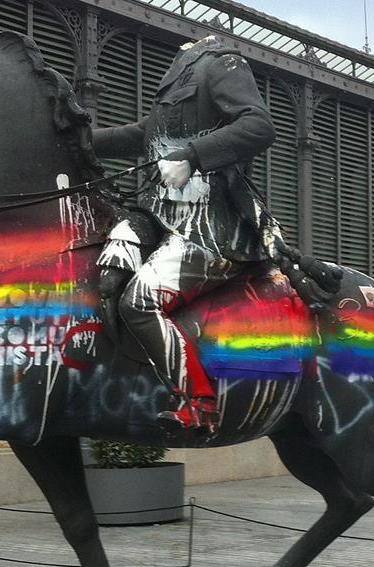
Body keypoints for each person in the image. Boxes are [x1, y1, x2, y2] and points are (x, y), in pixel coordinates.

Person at [93, 35, 275, 433]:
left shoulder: (221, 62)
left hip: (210, 226)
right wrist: (78, 141)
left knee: (140, 302)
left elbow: (258, 125)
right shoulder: (176, 78)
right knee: (107, 268)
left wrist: (193, 157)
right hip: (159, 215)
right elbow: (144, 133)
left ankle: (199, 402)